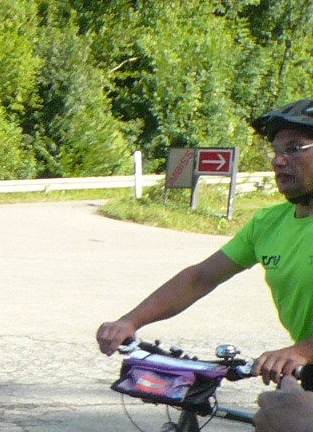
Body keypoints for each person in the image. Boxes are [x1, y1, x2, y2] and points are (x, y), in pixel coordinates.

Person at [96, 100, 313, 383]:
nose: (278, 161)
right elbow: (201, 277)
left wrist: (302, 350)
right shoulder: (268, 223)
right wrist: (130, 321)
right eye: (275, 151)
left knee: (277, 410)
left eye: (294, 148)